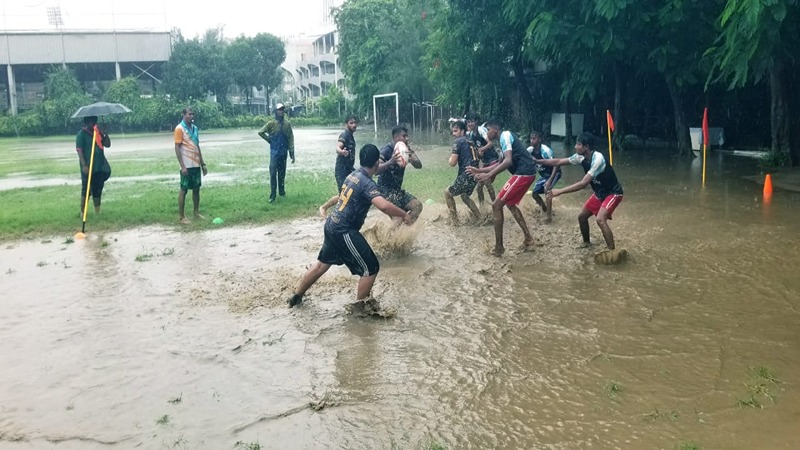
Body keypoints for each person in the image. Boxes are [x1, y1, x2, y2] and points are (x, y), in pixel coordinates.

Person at [287, 144, 412, 309]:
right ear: (376, 163)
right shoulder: (368, 184)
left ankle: (296, 297)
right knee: (371, 267)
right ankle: (359, 310)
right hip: (343, 231)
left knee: (321, 265)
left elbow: (342, 196)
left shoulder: (352, 175)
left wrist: (325, 207)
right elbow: (383, 206)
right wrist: (404, 214)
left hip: (332, 225)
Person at [537, 132, 624, 250]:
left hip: (613, 193)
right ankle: (587, 244)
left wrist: (559, 191)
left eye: (578, 144)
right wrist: (537, 161)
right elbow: (557, 162)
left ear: (586, 147)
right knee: (582, 217)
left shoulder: (597, 159)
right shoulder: (580, 157)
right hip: (599, 193)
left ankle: (612, 251)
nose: (575, 146)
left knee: (600, 219)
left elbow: (583, 184)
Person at [466, 118, 537, 256]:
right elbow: (499, 164)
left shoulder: (505, 136)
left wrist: (488, 175)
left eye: (488, 130)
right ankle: (528, 238)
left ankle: (499, 248)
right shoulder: (503, 142)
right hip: (525, 173)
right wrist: (479, 171)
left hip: (524, 172)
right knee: (510, 204)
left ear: (495, 129)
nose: (486, 133)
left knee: (496, 205)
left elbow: (508, 161)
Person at [377, 125, 423, 224]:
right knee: (398, 218)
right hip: (384, 191)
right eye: (404, 136)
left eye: (407, 136)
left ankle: (403, 234)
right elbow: (376, 170)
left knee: (417, 206)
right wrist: (391, 161)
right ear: (396, 137)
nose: (407, 138)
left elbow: (419, 165)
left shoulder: (407, 149)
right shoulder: (386, 150)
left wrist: (411, 157)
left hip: (397, 191)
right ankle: (388, 239)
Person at [174, 107, 207, 224]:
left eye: (193, 114)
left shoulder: (195, 129)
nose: (191, 116)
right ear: (183, 115)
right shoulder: (179, 129)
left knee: (196, 189)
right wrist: (182, 166)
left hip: (196, 164)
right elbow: (177, 148)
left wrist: (202, 163)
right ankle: (182, 217)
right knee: (184, 189)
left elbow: (197, 146)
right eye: (189, 114)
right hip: (186, 165)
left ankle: (196, 212)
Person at [444, 120, 481, 225]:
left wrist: (449, 158)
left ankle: (455, 221)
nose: (453, 134)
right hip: (474, 174)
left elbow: (452, 163)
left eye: (455, 131)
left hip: (466, 173)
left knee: (448, 193)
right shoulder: (470, 140)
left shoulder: (458, 141)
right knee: (464, 196)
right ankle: (479, 217)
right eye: (453, 131)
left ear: (462, 131)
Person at [258, 103, 295, 203]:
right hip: (274, 153)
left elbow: (291, 138)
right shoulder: (271, 124)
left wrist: (292, 153)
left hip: (283, 153)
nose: (281, 111)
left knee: (282, 174)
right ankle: (272, 195)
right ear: (276, 111)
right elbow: (261, 132)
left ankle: (282, 192)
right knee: (273, 173)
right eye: (279, 110)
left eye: (283, 110)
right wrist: (269, 140)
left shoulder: (287, 124)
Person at [76, 115, 111, 217]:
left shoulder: (98, 132)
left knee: (98, 188)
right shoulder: (81, 134)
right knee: (86, 189)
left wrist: (105, 133)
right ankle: (83, 212)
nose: (93, 124)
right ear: (86, 123)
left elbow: (107, 144)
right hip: (88, 166)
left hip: (99, 166)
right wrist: (84, 165)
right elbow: (79, 151)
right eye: (91, 122)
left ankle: (97, 211)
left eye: (95, 122)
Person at [465, 112, 500, 206]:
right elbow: (478, 152)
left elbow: (490, 144)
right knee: (479, 188)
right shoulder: (472, 134)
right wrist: (478, 154)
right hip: (485, 162)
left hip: (493, 160)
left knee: (487, 182)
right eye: (468, 122)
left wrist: (481, 149)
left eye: (472, 121)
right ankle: (482, 208)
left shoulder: (481, 130)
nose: (470, 124)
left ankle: (495, 204)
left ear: (476, 122)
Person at [527, 130, 561, 223]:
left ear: (539, 140)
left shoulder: (545, 151)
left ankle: (549, 217)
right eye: (531, 138)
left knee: (547, 189)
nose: (531, 141)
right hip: (544, 175)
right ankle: (545, 209)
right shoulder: (530, 150)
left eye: (534, 138)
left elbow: (556, 164)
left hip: (555, 172)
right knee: (534, 194)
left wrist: (550, 180)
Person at [335, 115, 358, 190]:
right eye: (351, 123)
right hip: (342, 169)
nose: (354, 125)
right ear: (346, 124)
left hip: (349, 169)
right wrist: (341, 152)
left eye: (355, 123)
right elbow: (338, 147)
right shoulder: (345, 135)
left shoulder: (351, 136)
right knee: (343, 193)